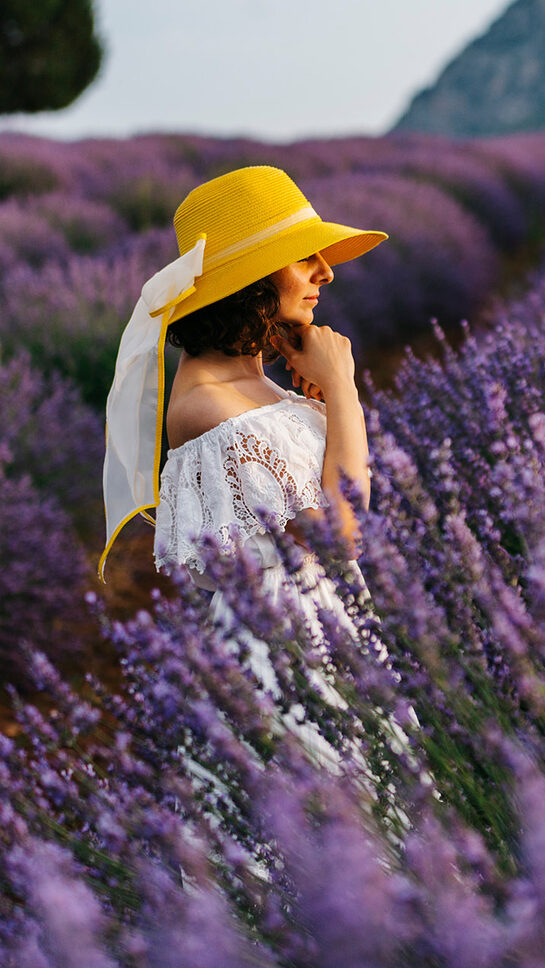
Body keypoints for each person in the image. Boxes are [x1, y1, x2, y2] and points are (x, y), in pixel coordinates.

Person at [100, 165, 389, 767]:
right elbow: (341, 535)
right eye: (303, 256)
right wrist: (342, 391)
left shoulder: (255, 387)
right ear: (252, 279)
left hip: (325, 637)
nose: (325, 271)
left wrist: (317, 397)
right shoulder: (211, 407)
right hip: (285, 660)